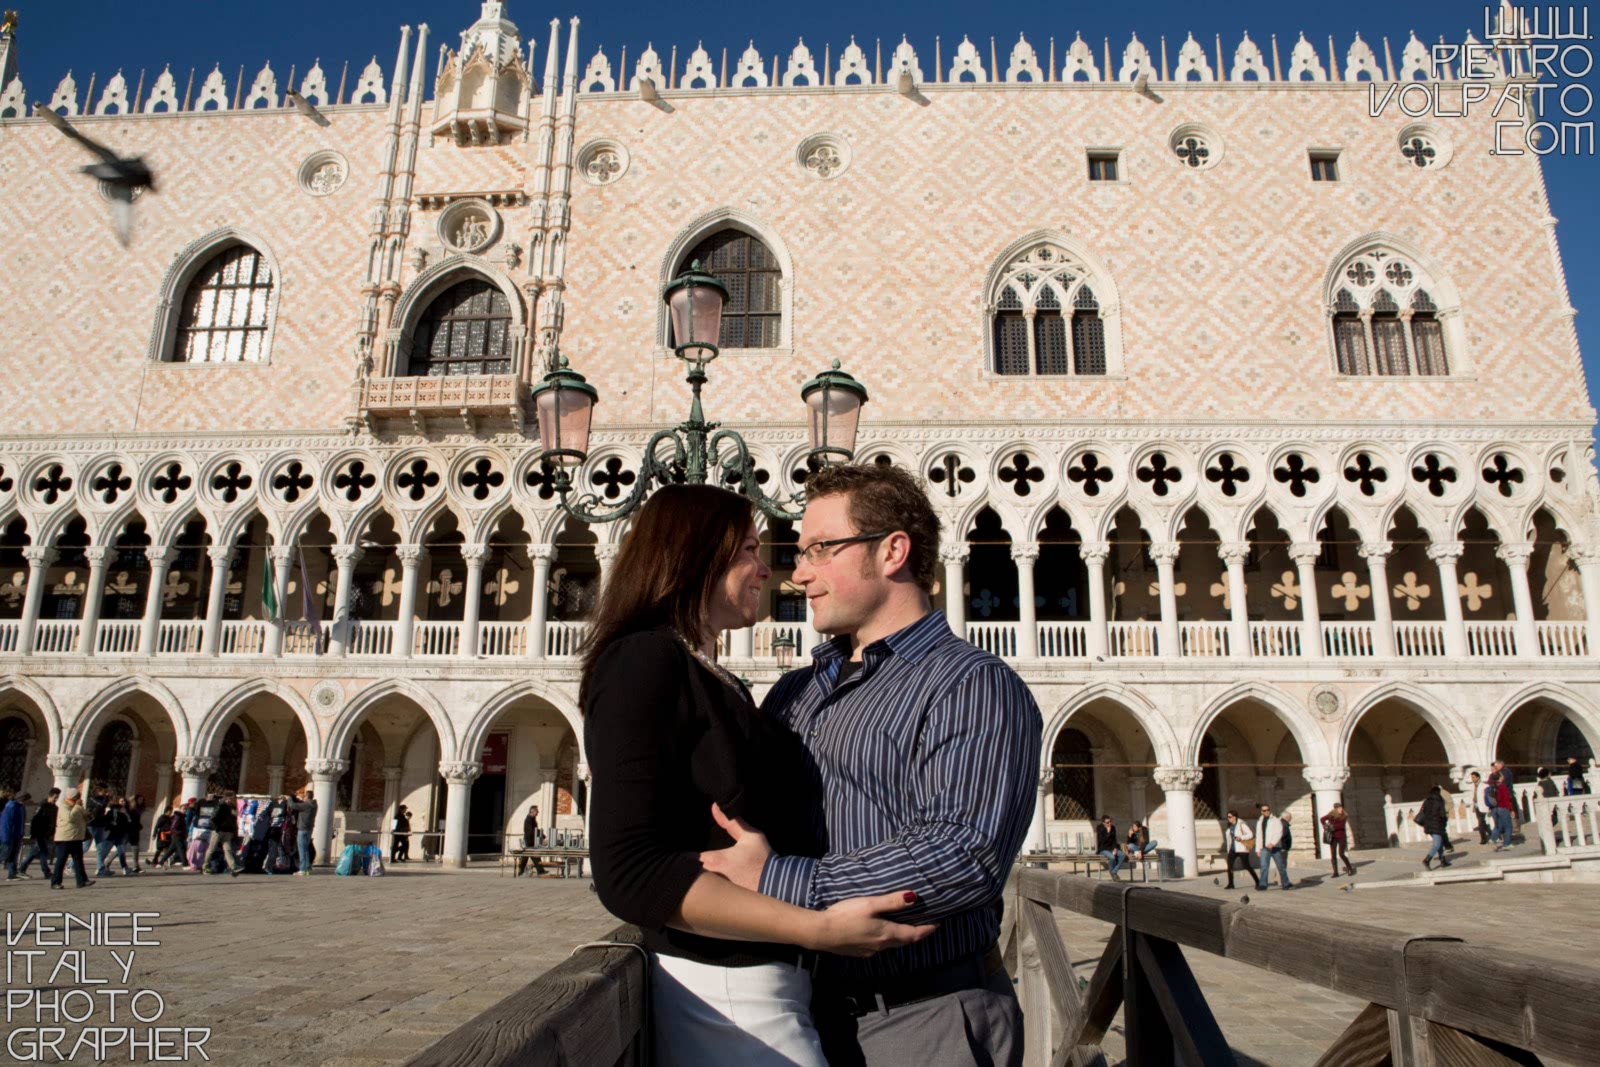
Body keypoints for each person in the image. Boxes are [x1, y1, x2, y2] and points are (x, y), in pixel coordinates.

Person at [585, 483, 940, 1067]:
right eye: (750, 549)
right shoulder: (642, 660)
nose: (770, 572)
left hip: (775, 982)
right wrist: (816, 928)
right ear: (695, 553)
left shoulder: (713, 677)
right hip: (728, 995)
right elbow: (628, 872)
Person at [700, 464, 1043, 1066]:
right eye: (798, 552)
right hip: (797, 1013)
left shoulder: (972, 685)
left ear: (892, 552)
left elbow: (962, 853)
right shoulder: (792, 694)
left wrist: (777, 880)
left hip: (925, 1019)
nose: (798, 573)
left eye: (820, 549)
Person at [49, 788, 94, 890]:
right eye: (78, 795)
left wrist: (87, 815)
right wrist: (78, 806)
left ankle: (82, 880)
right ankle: (55, 882)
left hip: (76, 837)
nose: (79, 797)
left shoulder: (77, 806)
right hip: (65, 838)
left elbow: (86, 818)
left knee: (78, 860)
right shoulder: (64, 806)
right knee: (61, 860)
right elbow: (70, 818)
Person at [19, 788, 58, 881]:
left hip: (47, 833)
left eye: (57, 798)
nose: (56, 799)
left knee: (40, 852)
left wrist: (52, 833)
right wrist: (33, 833)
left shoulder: (54, 808)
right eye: (55, 797)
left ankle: (23, 868)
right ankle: (45, 872)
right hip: (40, 832)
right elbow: (35, 820)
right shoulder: (42, 806)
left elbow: (53, 822)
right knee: (40, 851)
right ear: (50, 796)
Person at [202, 789, 243, 876]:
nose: (233, 800)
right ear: (227, 798)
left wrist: (233, 830)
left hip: (228, 831)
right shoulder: (220, 805)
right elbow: (213, 818)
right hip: (219, 831)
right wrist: (216, 828)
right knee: (211, 849)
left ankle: (233, 867)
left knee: (228, 850)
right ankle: (205, 866)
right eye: (232, 798)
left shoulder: (232, 807)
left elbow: (233, 820)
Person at [1255, 803, 1292, 890]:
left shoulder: (1275, 820)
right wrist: (1258, 849)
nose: (1266, 812)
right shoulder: (1260, 822)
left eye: (1268, 810)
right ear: (1261, 812)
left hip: (1274, 847)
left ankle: (1285, 883)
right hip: (1264, 847)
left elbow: (1279, 833)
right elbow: (1259, 836)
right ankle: (1263, 884)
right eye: (1264, 810)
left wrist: (1272, 843)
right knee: (1264, 866)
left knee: (1280, 866)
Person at [97, 797, 135, 877]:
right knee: (106, 852)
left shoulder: (124, 813)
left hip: (117, 835)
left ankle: (124, 868)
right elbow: (127, 823)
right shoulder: (117, 813)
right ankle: (100, 868)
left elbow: (128, 823)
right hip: (114, 835)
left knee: (119, 852)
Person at [1418, 786, 1451, 870]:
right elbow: (1443, 815)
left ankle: (1442, 860)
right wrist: (1444, 823)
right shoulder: (1439, 801)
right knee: (1436, 844)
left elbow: (1424, 812)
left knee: (1439, 842)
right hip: (1437, 825)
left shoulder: (1426, 801)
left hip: (1428, 826)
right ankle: (1427, 860)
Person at [1320, 801, 1356, 878]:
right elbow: (1322, 819)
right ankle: (1335, 872)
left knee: (1341, 854)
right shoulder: (1331, 815)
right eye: (1339, 808)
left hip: (1341, 837)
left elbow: (1341, 826)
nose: (1341, 809)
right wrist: (1325, 825)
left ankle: (1350, 869)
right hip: (1333, 837)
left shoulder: (1344, 816)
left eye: (1341, 807)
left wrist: (1332, 827)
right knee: (1333, 855)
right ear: (1335, 809)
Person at [1221, 810, 1254, 890]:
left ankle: (1257, 880)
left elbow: (1250, 834)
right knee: (1230, 866)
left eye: (1230, 817)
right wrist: (1229, 850)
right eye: (1228, 817)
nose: (1228, 819)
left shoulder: (1241, 824)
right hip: (1232, 849)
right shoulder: (1230, 826)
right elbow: (1229, 839)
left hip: (1241, 848)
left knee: (1246, 865)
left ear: (1234, 817)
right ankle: (1231, 883)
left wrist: (1241, 838)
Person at [290, 787, 317, 875]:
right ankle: (307, 867)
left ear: (306, 797)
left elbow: (293, 805)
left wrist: (290, 798)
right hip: (309, 829)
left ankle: (302, 869)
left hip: (303, 829)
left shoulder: (307, 805)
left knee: (302, 849)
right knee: (305, 849)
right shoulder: (313, 804)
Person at [0, 789, 26, 879]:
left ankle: (12, 873)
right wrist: (5, 837)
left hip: (16, 835)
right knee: (4, 855)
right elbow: (6, 824)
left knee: (13, 856)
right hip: (9, 836)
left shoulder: (19, 807)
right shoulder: (11, 807)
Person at [1486, 771, 1514, 850]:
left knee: (1498, 825)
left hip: (1494, 808)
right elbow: (1506, 799)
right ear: (1499, 777)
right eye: (1501, 776)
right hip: (1503, 807)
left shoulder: (1490, 787)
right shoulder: (1502, 787)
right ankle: (1507, 843)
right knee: (1508, 826)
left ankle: (1492, 839)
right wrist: (1511, 809)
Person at [1094, 815, 1126, 880]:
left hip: (1111, 848)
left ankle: (1113, 871)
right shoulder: (1100, 828)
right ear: (1103, 823)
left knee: (1122, 855)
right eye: (1107, 822)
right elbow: (1101, 841)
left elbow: (1114, 840)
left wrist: (1115, 848)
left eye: (1110, 821)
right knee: (1112, 857)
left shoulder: (1113, 828)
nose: (1109, 823)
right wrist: (1108, 833)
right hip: (1103, 849)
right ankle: (1113, 873)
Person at [515, 805, 544, 876]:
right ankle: (540, 871)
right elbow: (531, 831)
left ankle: (521, 870)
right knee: (531, 855)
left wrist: (541, 834)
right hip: (529, 840)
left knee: (529, 855)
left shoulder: (532, 819)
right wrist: (539, 834)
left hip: (532, 840)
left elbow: (534, 830)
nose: (538, 813)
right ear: (532, 812)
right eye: (537, 811)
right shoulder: (528, 819)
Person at [1468, 770, 1491, 844]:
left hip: (1482, 806)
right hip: (1476, 806)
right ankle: (1492, 834)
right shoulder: (1472, 786)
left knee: (1480, 822)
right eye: (1472, 777)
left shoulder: (1484, 786)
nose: (1472, 779)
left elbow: (1488, 796)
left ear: (1478, 777)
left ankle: (1483, 838)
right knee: (1482, 822)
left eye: (1474, 777)